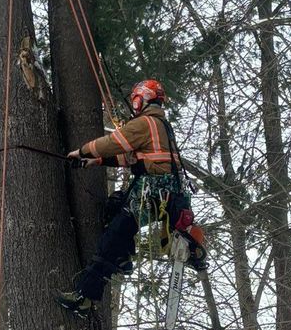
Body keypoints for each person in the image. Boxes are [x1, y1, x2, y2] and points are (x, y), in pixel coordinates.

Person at [56, 78, 207, 317]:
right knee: (115, 212)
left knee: (114, 234)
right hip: (167, 193)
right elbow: (131, 158)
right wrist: (96, 161)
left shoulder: (145, 124)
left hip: (152, 192)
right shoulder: (161, 126)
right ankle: (125, 257)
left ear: (143, 99)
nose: (134, 105)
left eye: (136, 99)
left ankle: (85, 295)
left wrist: (83, 151)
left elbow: (114, 143)